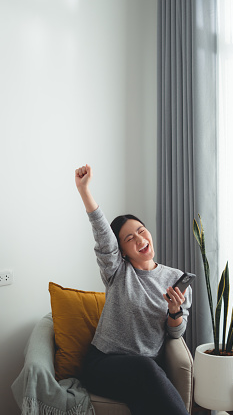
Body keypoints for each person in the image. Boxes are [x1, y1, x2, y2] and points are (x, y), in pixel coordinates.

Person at [75, 164, 191, 415]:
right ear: (122, 251)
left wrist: (174, 311)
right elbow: (103, 235)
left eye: (141, 231)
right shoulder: (117, 271)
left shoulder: (175, 278)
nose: (139, 239)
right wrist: (84, 190)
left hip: (146, 367)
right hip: (104, 364)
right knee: (147, 372)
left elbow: (176, 334)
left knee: (146, 386)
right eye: (129, 238)